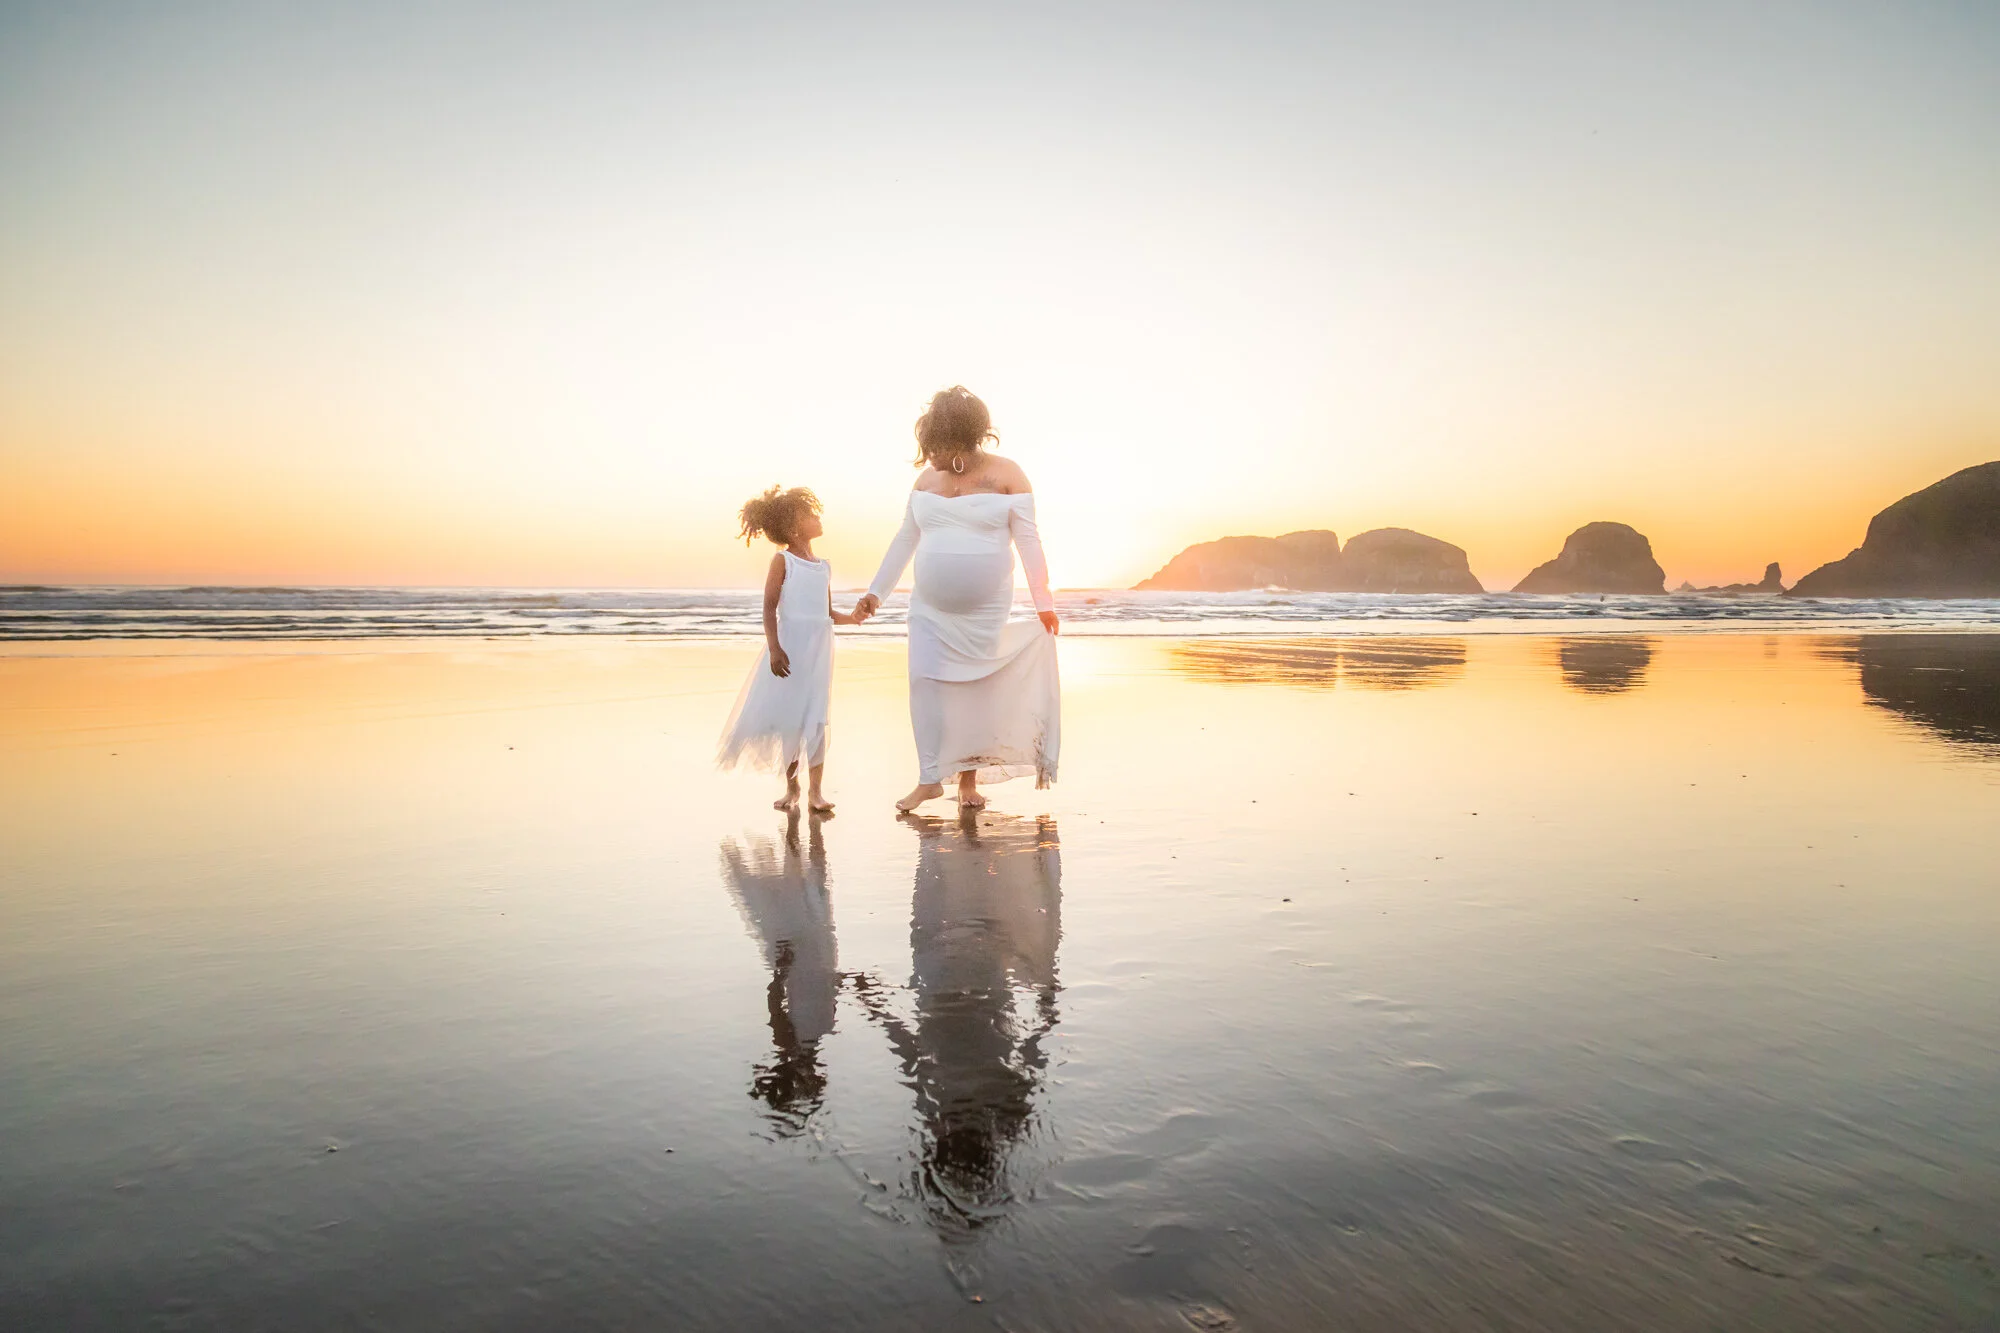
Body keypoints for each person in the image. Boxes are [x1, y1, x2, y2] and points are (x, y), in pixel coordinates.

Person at [853, 387, 1060, 811]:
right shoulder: (925, 482)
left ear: (962, 439)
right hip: (928, 609)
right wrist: (876, 593)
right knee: (924, 683)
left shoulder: (1008, 475)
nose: (929, 457)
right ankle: (929, 778)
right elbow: (905, 539)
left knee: (976, 690)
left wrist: (1044, 602)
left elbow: (1028, 540)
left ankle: (967, 781)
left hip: (985, 609)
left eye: (936, 447)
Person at [717, 485, 858, 811]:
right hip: (790, 649)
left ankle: (816, 793)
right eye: (809, 515)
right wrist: (775, 649)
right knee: (792, 721)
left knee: (817, 718)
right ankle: (792, 788)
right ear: (793, 527)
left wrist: (853, 618)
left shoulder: (823, 566)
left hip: (819, 652)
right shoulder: (783, 561)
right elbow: (769, 608)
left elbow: (827, 612)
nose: (817, 517)